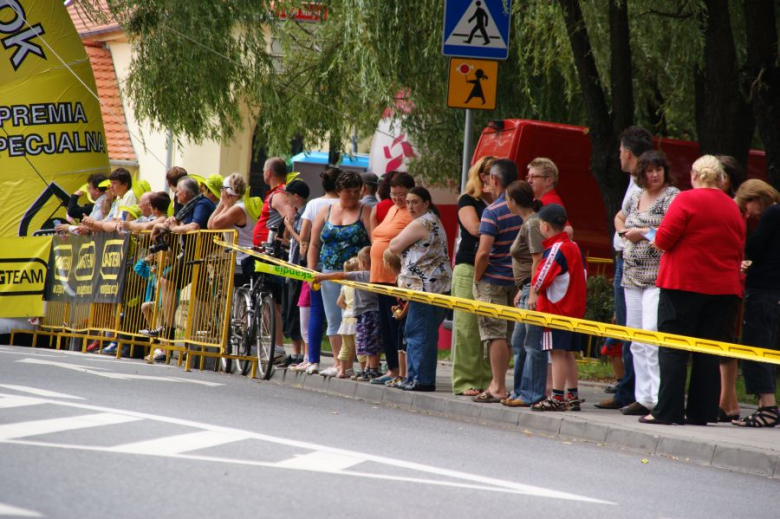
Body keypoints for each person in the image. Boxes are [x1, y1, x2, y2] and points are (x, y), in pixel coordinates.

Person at [640, 155, 745, 426]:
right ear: (721, 178)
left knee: (673, 348)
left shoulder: (685, 200)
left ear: (695, 176)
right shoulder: (732, 207)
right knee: (708, 350)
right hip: (722, 289)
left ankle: (668, 410)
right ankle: (701, 411)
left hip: (683, 284)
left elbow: (663, 239)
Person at [614, 151, 679, 416]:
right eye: (650, 170)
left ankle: (657, 397)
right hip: (631, 276)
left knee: (652, 335)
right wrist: (623, 232)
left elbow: (673, 228)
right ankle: (642, 396)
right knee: (635, 337)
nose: (654, 175)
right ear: (641, 173)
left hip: (657, 277)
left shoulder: (671, 196)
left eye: (659, 170)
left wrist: (644, 233)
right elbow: (619, 216)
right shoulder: (635, 195)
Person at [596, 126, 653, 411]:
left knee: (636, 331)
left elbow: (632, 222)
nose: (618, 156)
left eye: (620, 151)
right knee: (628, 328)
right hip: (626, 259)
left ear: (628, 154)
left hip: (633, 263)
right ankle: (629, 388)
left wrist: (624, 231)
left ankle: (632, 391)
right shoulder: (634, 183)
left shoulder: (643, 186)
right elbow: (622, 217)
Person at [308, 171, 371, 377]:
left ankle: (358, 363)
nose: (353, 196)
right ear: (338, 191)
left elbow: (374, 242)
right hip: (328, 271)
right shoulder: (326, 210)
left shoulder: (365, 211)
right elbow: (315, 243)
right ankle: (339, 363)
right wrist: (311, 271)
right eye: (348, 192)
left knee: (353, 317)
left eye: (356, 191)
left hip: (355, 273)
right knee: (334, 316)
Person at [389, 187, 452, 391]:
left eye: (415, 202)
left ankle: (422, 380)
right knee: (416, 331)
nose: (410, 206)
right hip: (427, 285)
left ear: (426, 203)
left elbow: (395, 245)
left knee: (419, 333)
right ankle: (414, 377)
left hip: (426, 287)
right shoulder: (431, 219)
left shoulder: (423, 222)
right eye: (407, 202)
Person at [471, 159, 522, 403]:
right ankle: (500, 382)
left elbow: (483, 252)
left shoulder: (493, 212)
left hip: (493, 279)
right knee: (509, 334)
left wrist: (477, 275)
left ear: (495, 180)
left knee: (494, 334)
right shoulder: (526, 209)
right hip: (518, 281)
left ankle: (497, 386)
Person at [732, 180, 780, 427]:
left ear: (757, 198)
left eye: (746, 205)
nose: (747, 213)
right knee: (768, 347)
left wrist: (749, 261)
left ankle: (768, 406)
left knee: (756, 347)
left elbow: (754, 247)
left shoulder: (772, 213)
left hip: (763, 292)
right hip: (772, 292)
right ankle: (766, 405)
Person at [530, 204, 587, 412]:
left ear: (545, 226)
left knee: (556, 353)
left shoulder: (557, 248)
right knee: (569, 353)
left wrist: (534, 287)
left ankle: (556, 396)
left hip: (556, 310)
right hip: (573, 309)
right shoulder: (574, 247)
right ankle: (572, 395)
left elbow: (540, 279)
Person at [451, 156, 495, 396]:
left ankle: (488, 381)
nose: (494, 177)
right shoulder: (468, 200)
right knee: (467, 328)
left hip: (495, 268)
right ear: (481, 176)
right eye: (489, 172)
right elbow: (475, 228)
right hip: (469, 266)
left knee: (491, 328)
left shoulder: (501, 200)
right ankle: (466, 381)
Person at [368, 172, 415, 385]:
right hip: (379, 274)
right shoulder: (393, 209)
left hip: (394, 277)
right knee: (385, 325)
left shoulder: (411, 213)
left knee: (395, 323)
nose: (397, 198)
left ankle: (399, 370)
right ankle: (392, 368)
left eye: (401, 194)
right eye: (393, 194)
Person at [503, 180, 546, 407]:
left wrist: (533, 292)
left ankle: (532, 392)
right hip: (526, 287)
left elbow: (537, 259)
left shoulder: (532, 224)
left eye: (506, 198)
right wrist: (522, 289)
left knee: (532, 342)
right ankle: (519, 389)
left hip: (533, 287)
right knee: (519, 341)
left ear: (513, 201)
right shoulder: (527, 223)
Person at [298, 167, 342, 375]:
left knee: (317, 312)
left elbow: (305, 235)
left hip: (319, 265)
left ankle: (313, 359)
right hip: (343, 267)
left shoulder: (315, 204)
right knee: (342, 314)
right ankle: (341, 361)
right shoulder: (346, 205)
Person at [315, 247, 381, 380]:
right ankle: (368, 368)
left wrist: (322, 277)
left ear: (361, 263)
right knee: (369, 343)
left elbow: (340, 275)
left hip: (366, 315)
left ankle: (371, 370)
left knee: (366, 344)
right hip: (372, 313)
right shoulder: (377, 274)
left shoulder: (361, 275)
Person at [716, 155, 746, 421]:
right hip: (725, 279)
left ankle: (728, 402)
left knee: (725, 341)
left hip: (727, 281)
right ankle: (725, 399)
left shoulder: (732, 208)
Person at [279, 180, 310, 367]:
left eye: (288, 195)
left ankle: (302, 353)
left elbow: (303, 242)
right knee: (289, 311)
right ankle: (296, 351)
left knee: (297, 311)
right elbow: (288, 240)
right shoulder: (298, 214)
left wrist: (290, 226)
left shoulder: (306, 215)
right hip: (292, 265)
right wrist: (288, 225)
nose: (287, 199)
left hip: (300, 267)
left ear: (296, 196)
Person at [207, 173, 257, 286]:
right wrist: (223, 203)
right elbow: (210, 225)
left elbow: (214, 225)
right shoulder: (239, 205)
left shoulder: (238, 208)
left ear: (226, 191)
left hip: (244, 258)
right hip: (242, 257)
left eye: (222, 190)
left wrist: (224, 205)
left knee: (239, 292)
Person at [82, 168, 138, 233]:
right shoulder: (119, 197)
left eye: (114, 183)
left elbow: (120, 221)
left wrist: (94, 222)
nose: (111, 187)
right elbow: (113, 220)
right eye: (111, 183)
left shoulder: (129, 194)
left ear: (125, 185)